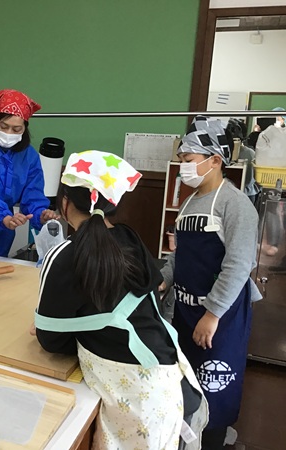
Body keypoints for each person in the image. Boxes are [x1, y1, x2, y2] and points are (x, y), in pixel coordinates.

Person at [33, 150, 207, 449]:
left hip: (136, 400)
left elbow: (50, 339)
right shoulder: (130, 238)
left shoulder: (63, 255)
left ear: (64, 202)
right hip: (170, 380)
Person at [160, 117, 261, 449]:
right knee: (188, 385)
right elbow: (179, 256)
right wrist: (162, 281)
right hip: (186, 311)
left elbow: (238, 264)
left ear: (215, 160)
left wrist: (213, 314)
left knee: (216, 387)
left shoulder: (236, 205)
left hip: (221, 317)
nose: (183, 168)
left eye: (189, 160)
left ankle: (214, 441)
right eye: (181, 160)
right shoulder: (188, 204)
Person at [0, 89, 58, 257]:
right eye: (3, 126)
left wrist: (41, 215)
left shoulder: (29, 156)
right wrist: (3, 217)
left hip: (4, 231)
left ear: (24, 129)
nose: (8, 134)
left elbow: (33, 195)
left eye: (16, 129)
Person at [255, 107, 286, 257]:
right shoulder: (276, 134)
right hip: (278, 177)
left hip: (269, 178)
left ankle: (269, 244)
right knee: (273, 210)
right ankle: (271, 243)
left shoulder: (267, 134)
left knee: (270, 210)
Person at [225, 118, 260, 204]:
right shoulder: (250, 153)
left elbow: (248, 180)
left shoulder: (248, 153)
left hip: (245, 193)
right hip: (246, 192)